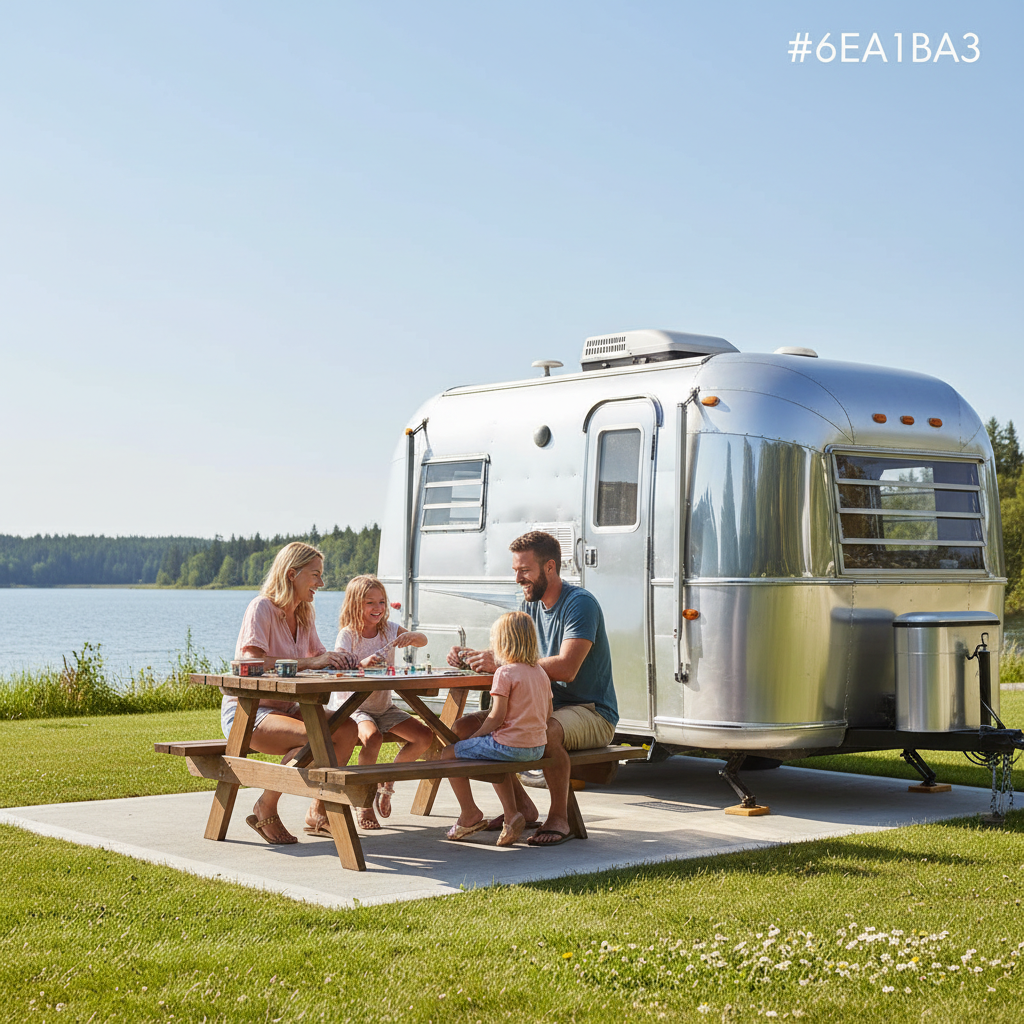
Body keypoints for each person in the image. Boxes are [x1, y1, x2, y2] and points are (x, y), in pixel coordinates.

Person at [447, 530, 617, 846]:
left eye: (524, 571)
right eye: (515, 571)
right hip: (544, 704)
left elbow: (567, 667)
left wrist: (500, 664)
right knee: (461, 729)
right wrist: (471, 656)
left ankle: (559, 817)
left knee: (546, 729)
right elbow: (514, 658)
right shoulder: (531, 606)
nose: (518, 578)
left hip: (591, 711)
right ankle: (521, 807)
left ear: (549, 567)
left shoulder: (580, 604)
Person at [224, 541, 357, 845]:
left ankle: (318, 810)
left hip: (289, 710)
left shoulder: (304, 615)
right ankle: (265, 806)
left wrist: (349, 661)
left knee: (347, 729)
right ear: (292, 573)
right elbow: (252, 663)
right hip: (250, 713)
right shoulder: (262, 608)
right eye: (315, 575)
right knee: (319, 738)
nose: (321, 583)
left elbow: (322, 658)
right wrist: (312, 662)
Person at [439, 611, 552, 847]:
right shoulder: (540, 672)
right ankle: (511, 816)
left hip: (510, 747)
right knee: (492, 752)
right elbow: (548, 713)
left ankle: (469, 813)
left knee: (448, 753)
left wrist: (476, 735)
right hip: (537, 748)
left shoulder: (504, 673)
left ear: (502, 643)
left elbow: (496, 717)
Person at [331, 575, 434, 830]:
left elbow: (423, 640)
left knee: (424, 736)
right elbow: (339, 669)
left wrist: (411, 637)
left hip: (384, 706)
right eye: (370, 602)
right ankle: (364, 802)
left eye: (382, 602)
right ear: (356, 604)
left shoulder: (389, 629)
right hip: (354, 707)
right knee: (373, 737)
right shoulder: (349, 634)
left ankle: (386, 783)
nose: (377, 608)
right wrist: (362, 664)